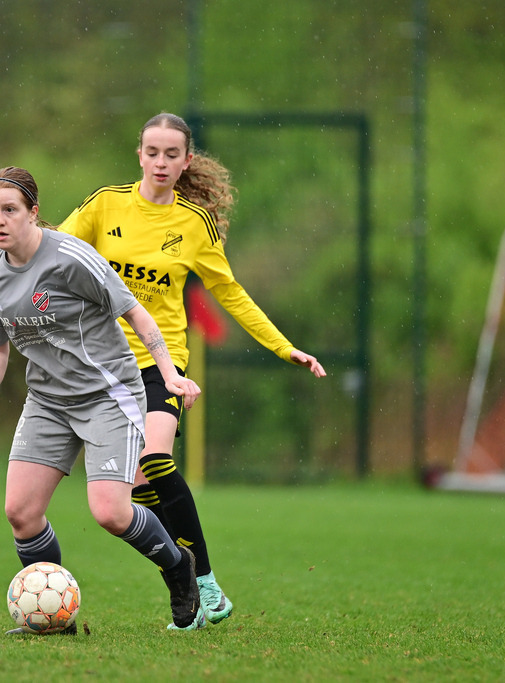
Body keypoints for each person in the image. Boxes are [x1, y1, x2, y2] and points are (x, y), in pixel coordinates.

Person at [59, 111, 327, 625]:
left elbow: (230, 292)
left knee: (156, 461)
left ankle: (205, 586)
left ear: (186, 162)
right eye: (152, 152)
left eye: (171, 154)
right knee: (136, 491)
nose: (160, 162)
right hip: (105, 367)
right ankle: (184, 579)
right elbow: (56, 251)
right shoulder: (105, 205)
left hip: (163, 365)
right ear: (139, 154)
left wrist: (283, 346)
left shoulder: (193, 224)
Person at [0, 166, 207, 631]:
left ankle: (180, 568)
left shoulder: (71, 258)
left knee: (110, 512)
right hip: (47, 402)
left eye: (9, 210)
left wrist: (169, 375)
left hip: (107, 395)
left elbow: (137, 314)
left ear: (33, 213)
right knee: (21, 513)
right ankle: (52, 617)